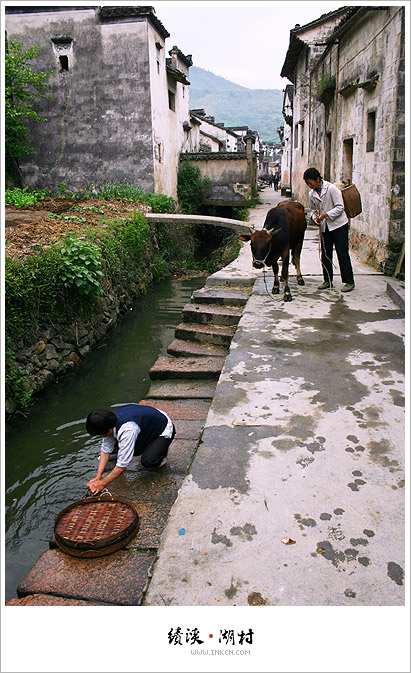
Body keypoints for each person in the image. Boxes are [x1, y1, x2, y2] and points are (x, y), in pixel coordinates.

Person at [86, 403, 176, 494]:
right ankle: (140, 446)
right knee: (120, 448)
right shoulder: (107, 421)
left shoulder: (128, 429)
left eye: (102, 434)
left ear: (108, 430)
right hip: (146, 422)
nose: (101, 436)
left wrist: (102, 483)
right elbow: (105, 450)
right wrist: (98, 476)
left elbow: (122, 466)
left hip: (162, 427)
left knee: (148, 461)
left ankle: (161, 452)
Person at [303, 167, 355, 292]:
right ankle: (327, 280)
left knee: (342, 254)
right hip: (325, 227)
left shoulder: (331, 189)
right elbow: (313, 210)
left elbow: (340, 207)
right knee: (325, 255)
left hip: (338, 225)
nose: (309, 185)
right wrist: (315, 218)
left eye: (310, 182)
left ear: (317, 179)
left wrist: (326, 215)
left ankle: (349, 281)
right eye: (307, 183)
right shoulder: (312, 194)